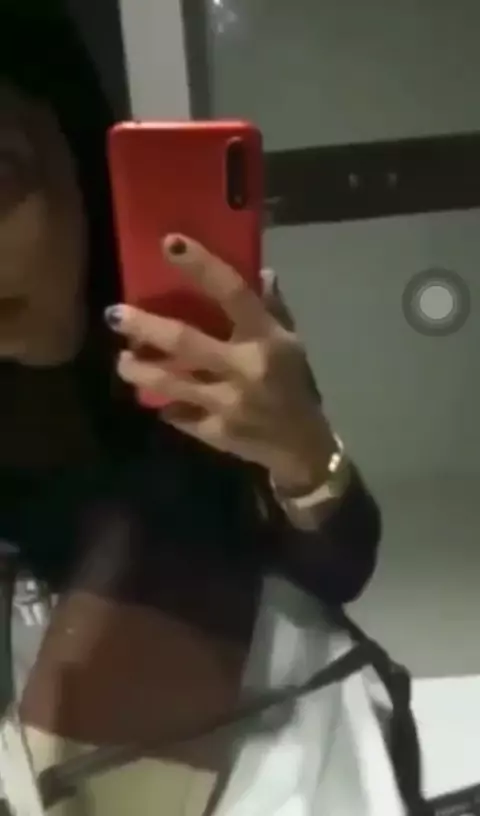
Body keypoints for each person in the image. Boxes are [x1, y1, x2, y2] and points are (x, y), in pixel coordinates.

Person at [0, 3, 381, 815]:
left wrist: (306, 454)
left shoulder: (201, 338)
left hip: (255, 733)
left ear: (71, 152)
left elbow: (342, 568)